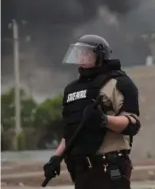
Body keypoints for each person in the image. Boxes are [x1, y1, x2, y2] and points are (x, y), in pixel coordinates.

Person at [42, 35, 141, 189]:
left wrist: (103, 119)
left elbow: (132, 123)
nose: (81, 57)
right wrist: (56, 157)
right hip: (82, 170)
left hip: (109, 166)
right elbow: (71, 130)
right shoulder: (72, 89)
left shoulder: (119, 82)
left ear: (100, 56)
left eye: (86, 53)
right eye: (79, 53)